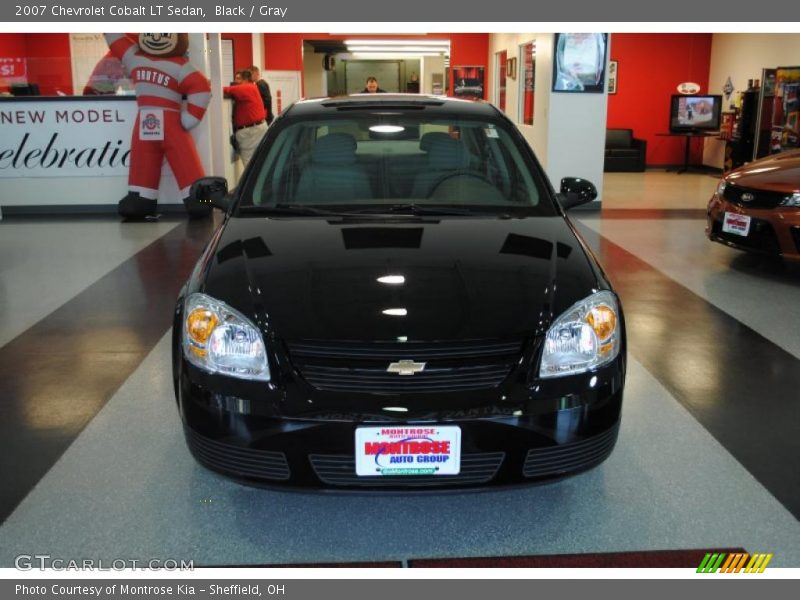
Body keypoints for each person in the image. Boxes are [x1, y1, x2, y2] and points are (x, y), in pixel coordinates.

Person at [223, 70, 268, 168]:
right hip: (259, 128)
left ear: (245, 79)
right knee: (260, 162)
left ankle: (252, 183)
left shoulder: (246, 88)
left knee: (249, 166)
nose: (236, 81)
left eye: (239, 79)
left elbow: (222, 90)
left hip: (250, 132)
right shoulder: (253, 87)